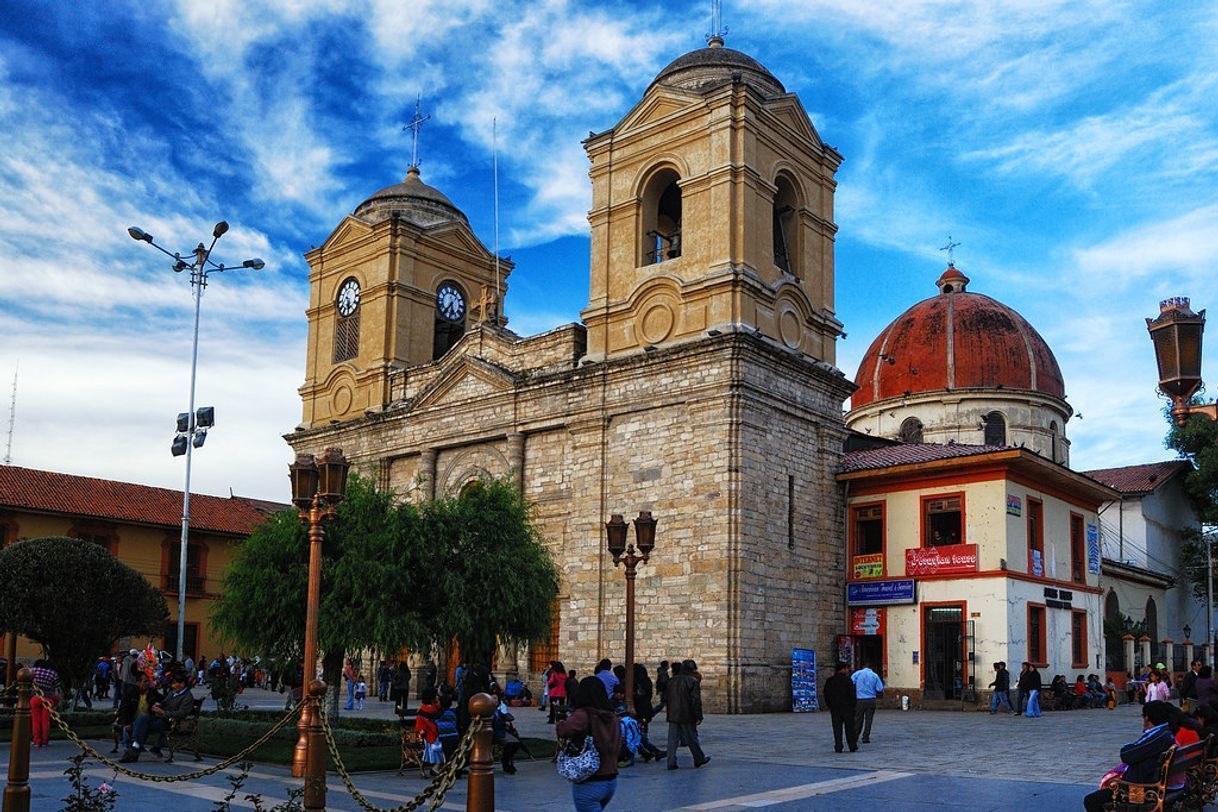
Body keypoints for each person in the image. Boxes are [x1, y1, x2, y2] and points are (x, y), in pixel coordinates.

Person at [1083, 701, 1176, 812]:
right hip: (1147, 781)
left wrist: (1129, 747)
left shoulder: (1159, 736)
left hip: (1138, 788)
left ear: (1147, 718)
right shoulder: (1165, 733)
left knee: (1091, 800)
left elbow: (1127, 755)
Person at [556, 675, 623, 811]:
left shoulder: (584, 714)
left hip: (590, 781)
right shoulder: (612, 716)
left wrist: (560, 722)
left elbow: (563, 730)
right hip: (610, 780)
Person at [664, 660, 709, 769]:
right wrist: (698, 716)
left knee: (672, 740)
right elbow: (695, 701)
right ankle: (699, 758)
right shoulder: (693, 681)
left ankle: (671, 761)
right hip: (687, 714)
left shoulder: (671, 681)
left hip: (673, 714)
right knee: (692, 738)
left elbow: (666, 698)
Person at [823, 661, 858, 753]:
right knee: (850, 727)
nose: (847, 670)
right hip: (847, 708)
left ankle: (838, 746)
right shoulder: (848, 680)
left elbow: (826, 694)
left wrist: (830, 705)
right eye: (846, 668)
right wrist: (853, 705)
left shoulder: (830, 681)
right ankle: (852, 745)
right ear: (843, 669)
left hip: (835, 708)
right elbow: (852, 694)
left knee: (837, 728)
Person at [30, 660, 60, 748]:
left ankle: (37, 740)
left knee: (36, 720)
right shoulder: (53, 673)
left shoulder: (33, 671)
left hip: (35, 698)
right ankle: (44, 740)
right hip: (48, 699)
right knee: (45, 721)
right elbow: (56, 686)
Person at [850, 660, 883, 743]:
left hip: (860, 699)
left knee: (858, 718)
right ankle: (866, 737)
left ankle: (855, 735)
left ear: (863, 666)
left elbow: (851, 682)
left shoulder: (857, 674)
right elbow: (880, 688)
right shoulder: (874, 675)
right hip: (871, 699)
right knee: (869, 719)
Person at [415, 687, 445, 777]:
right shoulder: (428, 710)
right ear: (431, 698)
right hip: (426, 735)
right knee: (439, 746)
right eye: (436, 696)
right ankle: (436, 767)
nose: (437, 697)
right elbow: (431, 725)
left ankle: (438, 766)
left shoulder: (429, 707)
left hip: (429, 733)